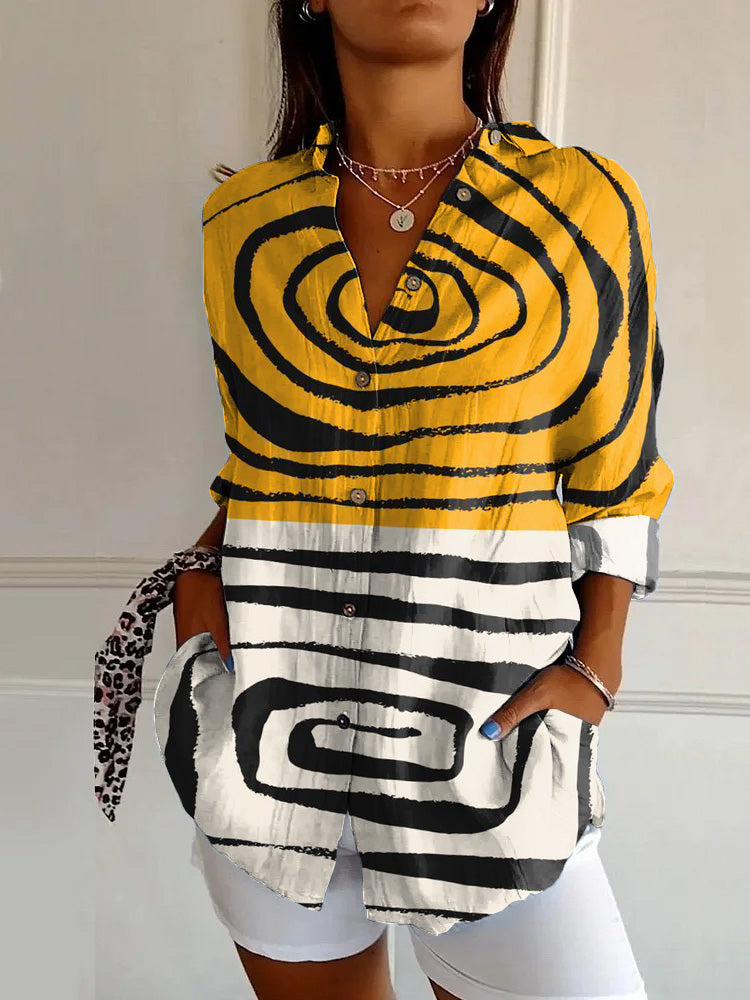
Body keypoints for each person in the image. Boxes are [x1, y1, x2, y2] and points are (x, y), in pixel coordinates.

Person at [167, 1, 674, 998]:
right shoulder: (243, 224)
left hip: (488, 757)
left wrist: (599, 661)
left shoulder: (580, 203)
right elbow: (259, 459)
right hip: (270, 749)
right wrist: (200, 604)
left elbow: (616, 468)